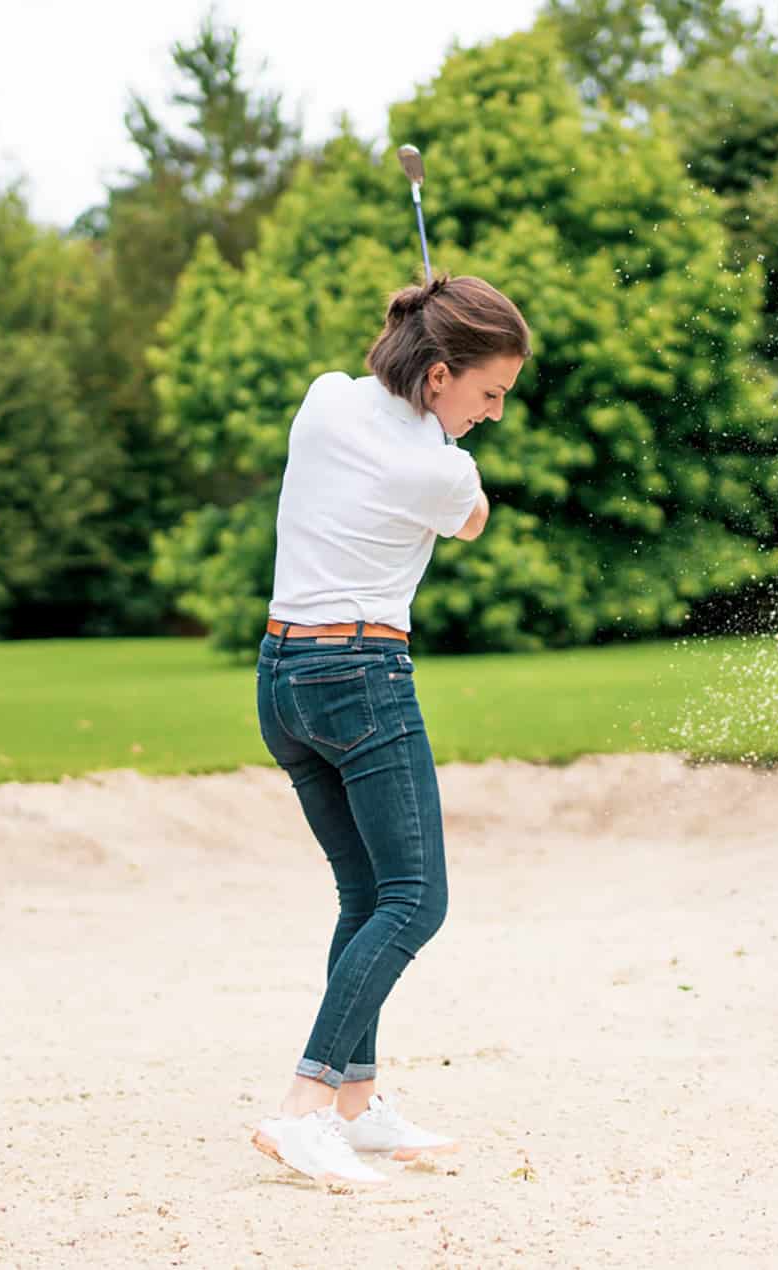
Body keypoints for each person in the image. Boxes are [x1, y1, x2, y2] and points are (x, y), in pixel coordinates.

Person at [248, 273, 529, 1189]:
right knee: (417, 900)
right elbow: (474, 522)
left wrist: (429, 405)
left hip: (283, 681)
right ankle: (304, 1108)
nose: (492, 414)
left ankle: (357, 1107)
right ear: (441, 375)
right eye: (489, 394)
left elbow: (388, 402)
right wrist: (446, 446)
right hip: (362, 680)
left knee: (366, 896)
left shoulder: (325, 402)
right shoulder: (439, 466)